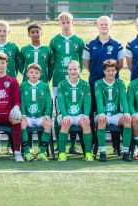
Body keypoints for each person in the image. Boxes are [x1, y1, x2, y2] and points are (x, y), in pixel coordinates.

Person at [83, 15, 124, 156]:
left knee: (113, 115)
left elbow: (120, 64)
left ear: (110, 25)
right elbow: (86, 64)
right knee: (97, 116)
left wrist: (110, 77)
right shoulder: (90, 44)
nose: (104, 26)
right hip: (95, 84)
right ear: (97, 26)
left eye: (106, 24)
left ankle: (117, 146)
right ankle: (96, 145)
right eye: (101, 24)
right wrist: (98, 76)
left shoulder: (117, 44)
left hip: (113, 86)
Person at [50, 12, 85, 155]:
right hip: (59, 81)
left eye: (68, 22)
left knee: (74, 110)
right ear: (60, 23)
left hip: (75, 83)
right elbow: (51, 62)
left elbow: (81, 61)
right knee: (59, 112)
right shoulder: (54, 41)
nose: (65, 25)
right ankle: (60, 143)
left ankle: (73, 144)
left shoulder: (79, 40)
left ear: (72, 22)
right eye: (63, 22)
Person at [0, 20, 20, 155]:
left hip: (9, 85)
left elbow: (18, 64)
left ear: (8, 32)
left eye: (4, 30)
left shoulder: (14, 47)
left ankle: (10, 145)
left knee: (10, 112)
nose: (2, 33)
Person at [94, 60, 132, 162]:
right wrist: (101, 113)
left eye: (113, 70)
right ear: (104, 71)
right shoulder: (98, 83)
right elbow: (99, 100)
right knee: (102, 120)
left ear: (116, 71)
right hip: (102, 113)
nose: (110, 73)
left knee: (128, 120)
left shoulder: (120, 83)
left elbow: (124, 99)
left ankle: (126, 153)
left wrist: (127, 112)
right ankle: (102, 153)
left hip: (116, 114)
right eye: (108, 71)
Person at [56, 61, 93, 162]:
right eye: (70, 69)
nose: (73, 71)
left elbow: (87, 101)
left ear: (79, 70)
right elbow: (61, 102)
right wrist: (65, 115)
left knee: (86, 123)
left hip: (79, 115)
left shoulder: (85, 85)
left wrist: (86, 115)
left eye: (75, 69)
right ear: (67, 71)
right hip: (65, 114)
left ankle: (88, 153)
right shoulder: (62, 84)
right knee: (65, 123)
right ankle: (62, 153)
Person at [20, 64, 53, 162]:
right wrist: (23, 115)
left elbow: (48, 101)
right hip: (27, 116)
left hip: (40, 117)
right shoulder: (23, 85)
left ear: (40, 74)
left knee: (48, 124)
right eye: (31, 72)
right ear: (27, 74)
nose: (34, 74)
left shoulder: (44, 86)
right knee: (22, 124)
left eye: (36, 73)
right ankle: (26, 153)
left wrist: (47, 114)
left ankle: (42, 153)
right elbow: (20, 101)